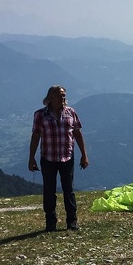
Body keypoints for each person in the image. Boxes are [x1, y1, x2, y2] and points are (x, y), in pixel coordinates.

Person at [28, 85, 89, 232]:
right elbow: (35, 136)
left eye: (63, 95)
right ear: (50, 98)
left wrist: (84, 155)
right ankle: (50, 222)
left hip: (67, 157)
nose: (62, 98)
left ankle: (72, 221)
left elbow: (78, 134)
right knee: (49, 191)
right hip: (48, 158)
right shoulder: (40, 115)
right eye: (59, 95)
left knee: (69, 190)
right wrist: (31, 158)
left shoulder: (71, 113)